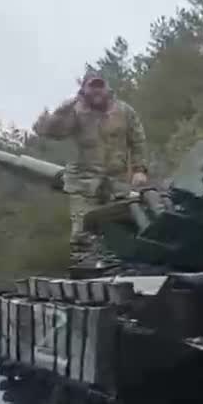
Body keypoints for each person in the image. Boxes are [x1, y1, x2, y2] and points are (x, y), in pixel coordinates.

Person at [32, 72, 148, 262]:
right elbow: (48, 131)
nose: (97, 91)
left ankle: (121, 266)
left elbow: (138, 141)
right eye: (91, 87)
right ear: (83, 90)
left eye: (100, 86)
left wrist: (139, 169)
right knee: (82, 234)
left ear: (107, 88)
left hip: (116, 181)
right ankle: (85, 269)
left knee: (120, 228)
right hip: (83, 182)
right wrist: (64, 108)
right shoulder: (76, 112)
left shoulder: (124, 111)